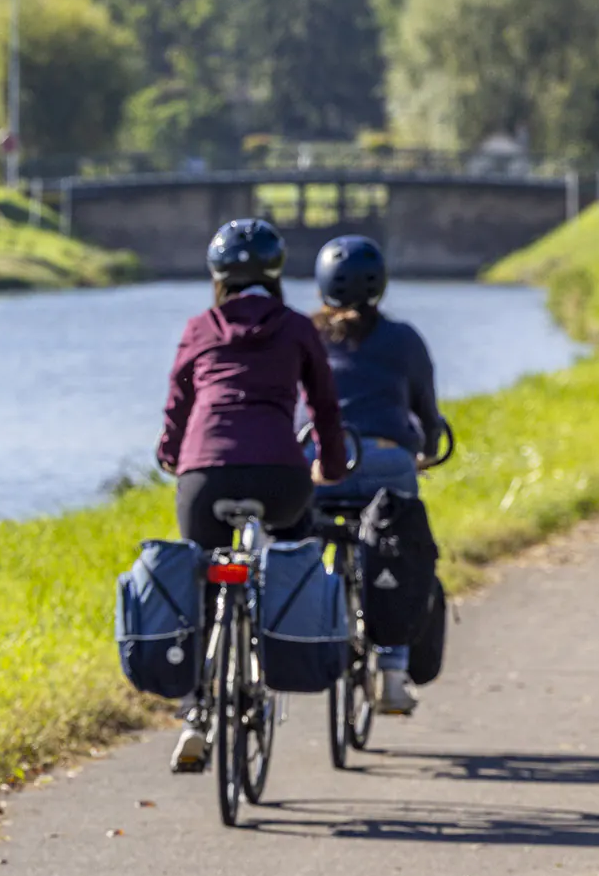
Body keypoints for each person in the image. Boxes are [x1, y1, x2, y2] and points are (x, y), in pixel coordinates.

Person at [156, 218, 344, 772]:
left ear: (217, 276)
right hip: (280, 476)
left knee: (200, 573)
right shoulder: (297, 327)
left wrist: (171, 455)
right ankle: (280, 642)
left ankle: (195, 713)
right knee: (294, 548)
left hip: (206, 475)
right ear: (276, 272)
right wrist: (331, 467)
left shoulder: (199, 328)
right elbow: (324, 406)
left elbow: (178, 403)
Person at [310, 235, 444, 716]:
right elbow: (425, 410)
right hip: (387, 463)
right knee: (397, 548)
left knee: (297, 538)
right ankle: (392, 672)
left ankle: (291, 634)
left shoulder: (307, 335)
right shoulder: (404, 339)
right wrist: (426, 450)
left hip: (320, 465)